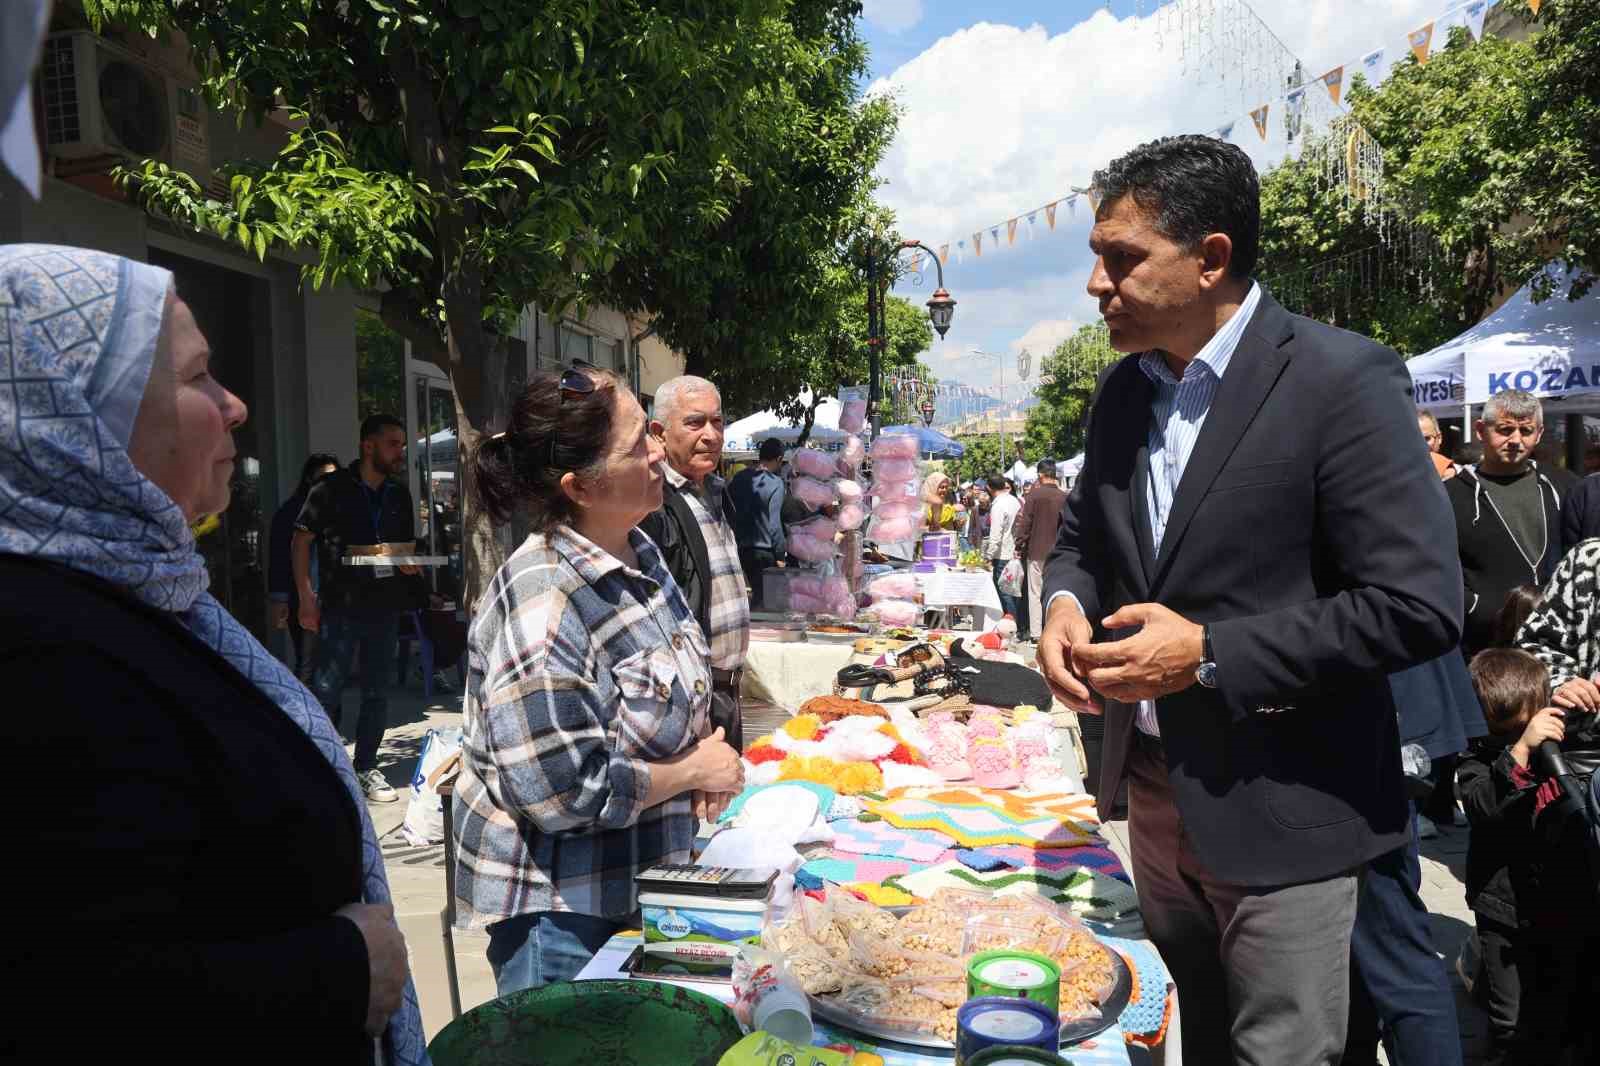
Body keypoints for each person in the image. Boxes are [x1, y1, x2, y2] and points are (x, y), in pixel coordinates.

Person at [1038, 136, 1461, 1065]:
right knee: (1199, 1040)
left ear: (1211, 258)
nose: (1097, 286)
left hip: (1287, 812)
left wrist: (1211, 653)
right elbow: (1079, 543)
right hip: (1152, 798)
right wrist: (1062, 606)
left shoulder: (1340, 379)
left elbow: (1419, 603)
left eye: (1123, 258)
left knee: (1287, 1050)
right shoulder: (1123, 392)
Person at [1, 245, 424, 1062]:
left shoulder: (140, 598)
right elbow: (74, 997)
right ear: (79, 419)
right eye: (197, 378)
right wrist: (339, 972)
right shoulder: (40, 654)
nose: (234, 407)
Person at [451, 366, 745, 994]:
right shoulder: (544, 604)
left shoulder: (640, 551)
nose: (660, 452)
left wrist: (701, 751)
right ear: (580, 487)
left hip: (638, 892)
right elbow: (560, 795)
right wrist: (692, 771)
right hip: (563, 924)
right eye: (641, 444)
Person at [1459, 648, 1599, 1065]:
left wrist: (1580, 695)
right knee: (1509, 1020)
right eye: (1502, 732)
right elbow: (1482, 803)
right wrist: (1519, 750)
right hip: (1503, 911)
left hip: (1562, 906)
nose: (1516, 736)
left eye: (1524, 725)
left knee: (1556, 1014)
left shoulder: (1562, 733)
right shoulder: (1478, 756)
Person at [293, 414, 424, 803]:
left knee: (376, 691)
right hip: (340, 606)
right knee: (327, 687)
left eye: (402, 444)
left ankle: (366, 768)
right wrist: (305, 596)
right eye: (394, 444)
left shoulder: (399, 494)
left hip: (384, 606)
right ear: (369, 446)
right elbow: (301, 541)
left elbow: (402, 548)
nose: (401, 452)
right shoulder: (330, 489)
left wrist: (408, 564)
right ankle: (313, 764)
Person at [639, 375, 750, 750]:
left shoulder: (717, 493)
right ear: (659, 432)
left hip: (726, 693)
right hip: (688, 699)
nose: (711, 435)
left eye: (717, 422)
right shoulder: (654, 505)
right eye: (694, 422)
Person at [1446, 390, 1564, 657]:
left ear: (1540, 433)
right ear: (1480, 430)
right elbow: (1439, 570)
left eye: (1526, 431)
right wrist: (1478, 609)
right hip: (1483, 649)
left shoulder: (1563, 486)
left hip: (1555, 648)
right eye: (1505, 429)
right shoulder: (1449, 496)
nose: (1515, 440)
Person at [269, 451, 339, 679]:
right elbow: (279, 556)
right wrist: (280, 599)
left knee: (331, 667)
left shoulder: (340, 510)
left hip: (336, 598)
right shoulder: (291, 512)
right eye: (323, 478)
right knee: (308, 664)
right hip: (302, 598)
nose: (329, 484)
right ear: (310, 480)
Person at [728, 437, 787, 607]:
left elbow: (727, 512)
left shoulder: (738, 478)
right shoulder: (776, 483)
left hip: (739, 549)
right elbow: (774, 524)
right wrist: (780, 554)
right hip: (764, 552)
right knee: (765, 604)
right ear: (779, 459)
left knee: (745, 600)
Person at [1014, 458, 1068, 642]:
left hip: (1036, 551)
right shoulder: (1064, 496)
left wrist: (1019, 545)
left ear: (1040, 475)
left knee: (1035, 593)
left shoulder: (1034, 496)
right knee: (1054, 592)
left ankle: (1037, 633)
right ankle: (1053, 630)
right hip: (1058, 553)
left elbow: (1025, 524)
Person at [983, 473, 1021, 618]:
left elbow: (996, 535)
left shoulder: (998, 505)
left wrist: (988, 555)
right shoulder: (1014, 500)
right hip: (1015, 552)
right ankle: (1016, 623)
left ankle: (1010, 623)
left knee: (1004, 593)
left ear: (989, 488)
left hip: (1003, 554)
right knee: (1014, 592)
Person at [1419, 409, 1456, 480]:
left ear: (1439, 438)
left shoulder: (1456, 475)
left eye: (1426, 438)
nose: (1420, 445)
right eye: (1414, 440)